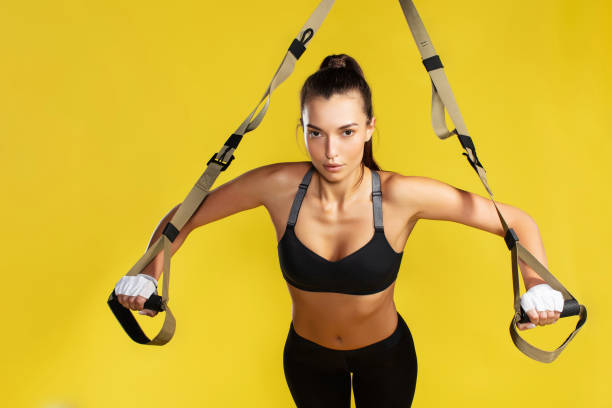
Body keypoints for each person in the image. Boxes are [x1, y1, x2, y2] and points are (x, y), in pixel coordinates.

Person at [114, 54, 564, 407]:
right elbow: (183, 217)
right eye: (316, 133)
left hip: (386, 359)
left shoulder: (401, 197)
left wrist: (537, 285)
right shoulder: (277, 188)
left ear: (369, 128)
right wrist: (150, 273)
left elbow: (517, 224)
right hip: (308, 359)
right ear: (304, 130)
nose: (331, 151)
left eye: (347, 132)